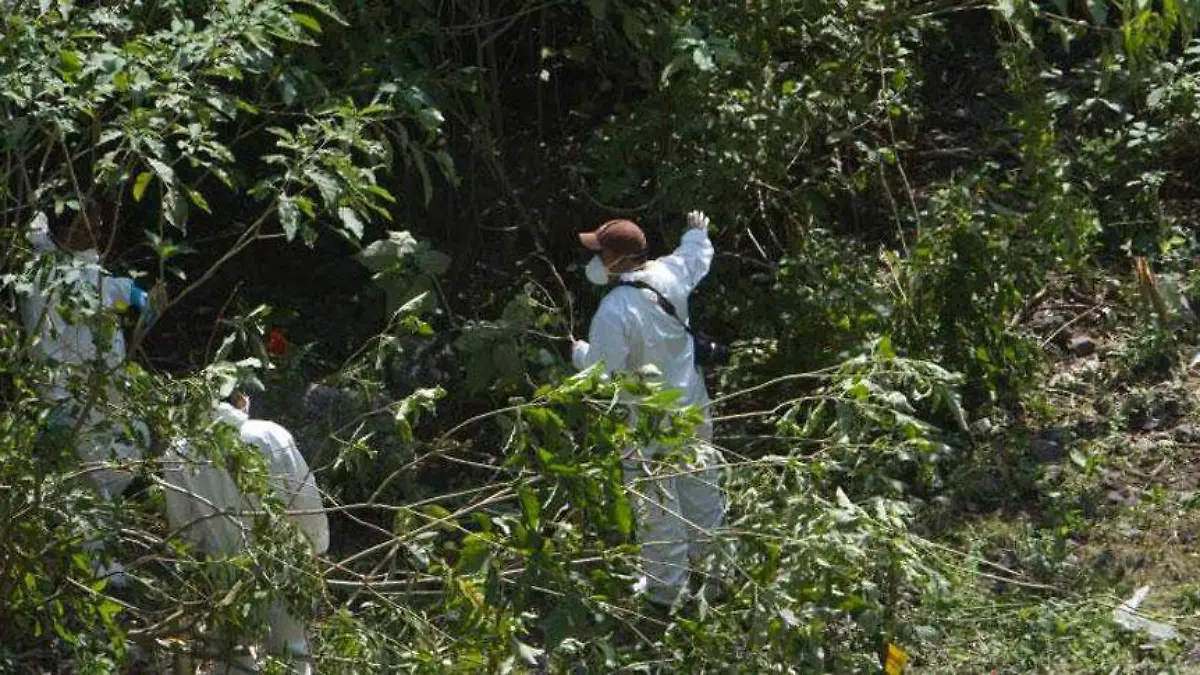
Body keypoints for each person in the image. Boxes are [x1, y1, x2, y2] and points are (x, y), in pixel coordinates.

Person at [571, 210, 725, 608]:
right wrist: (697, 232)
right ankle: (716, 578)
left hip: (646, 425)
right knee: (701, 491)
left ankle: (663, 594)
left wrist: (578, 353)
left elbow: (603, 377)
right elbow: (694, 258)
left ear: (616, 260)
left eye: (600, 253)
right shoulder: (668, 274)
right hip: (691, 408)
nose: (595, 261)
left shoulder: (613, 312)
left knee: (655, 509)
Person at [21, 201, 156, 585]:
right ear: (61, 228)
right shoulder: (43, 276)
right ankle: (89, 574)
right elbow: (44, 344)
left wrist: (131, 292)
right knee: (85, 485)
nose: (92, 234)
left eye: (96, 226)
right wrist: (56, 404)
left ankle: (91, 565)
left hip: (101, 398)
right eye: (83, 225)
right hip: (69, 399)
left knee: (120, 458)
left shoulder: (81, 267)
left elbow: (98, 287)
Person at [163, 393, 328, 674]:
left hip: (226, 571)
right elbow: (307, 500)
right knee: (292, 653)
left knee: (234, 657)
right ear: (242, 401)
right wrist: (317, 549)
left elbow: (184, 532)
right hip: (286, 564)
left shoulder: (179, 450)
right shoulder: (270, 434)